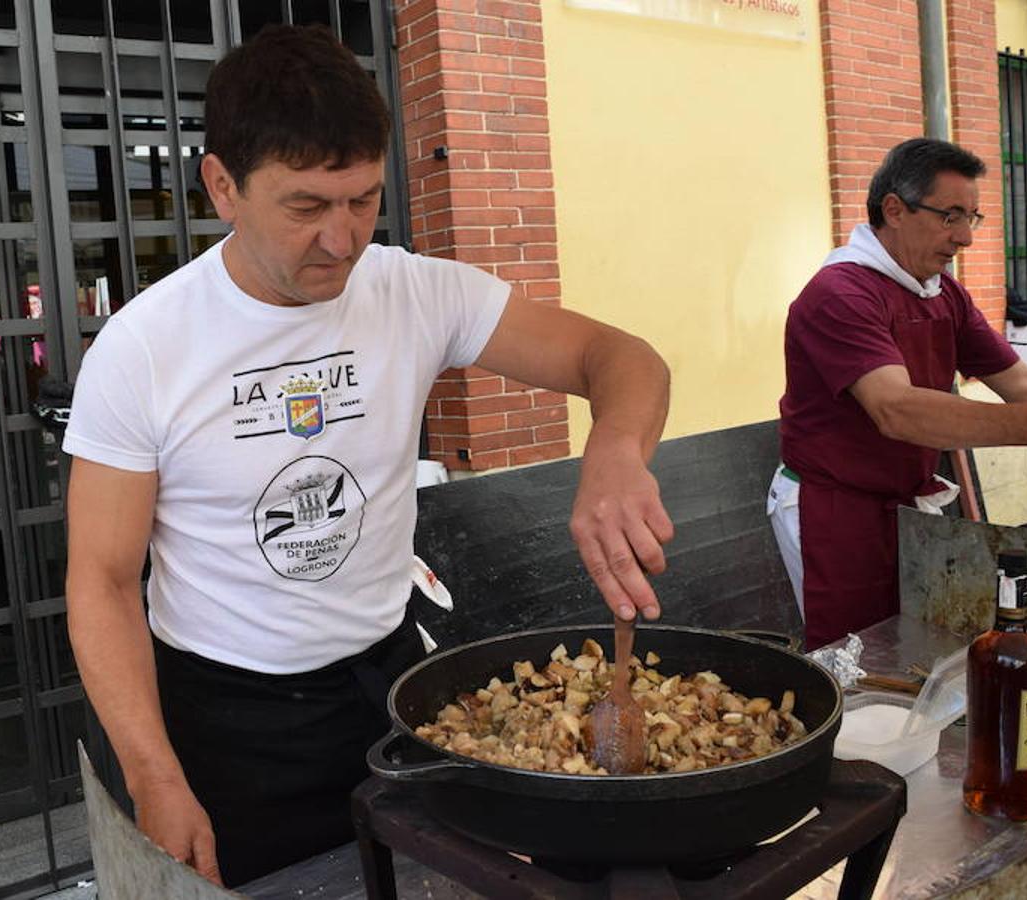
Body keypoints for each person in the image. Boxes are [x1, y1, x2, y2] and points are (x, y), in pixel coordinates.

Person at [62, 25, 674, 888]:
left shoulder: (413, 291)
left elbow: (621, 358)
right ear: (221, 186)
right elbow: (100, 578)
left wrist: (615, 448)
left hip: (392, 684)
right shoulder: (145, 349)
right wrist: (153, 775)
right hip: (232, 720)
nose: (343, 240)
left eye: (362, 201)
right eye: (307, 207)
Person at [769, 137, 1027, 650]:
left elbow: (1023, 384)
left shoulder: (944, 292)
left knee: (917, 646)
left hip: (904, 504)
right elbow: (895, 410)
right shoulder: (841, 293)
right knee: (852, 661)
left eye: (973, 217)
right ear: (894, 210)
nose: (965, 237)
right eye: (950, 216)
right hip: (832, 507)